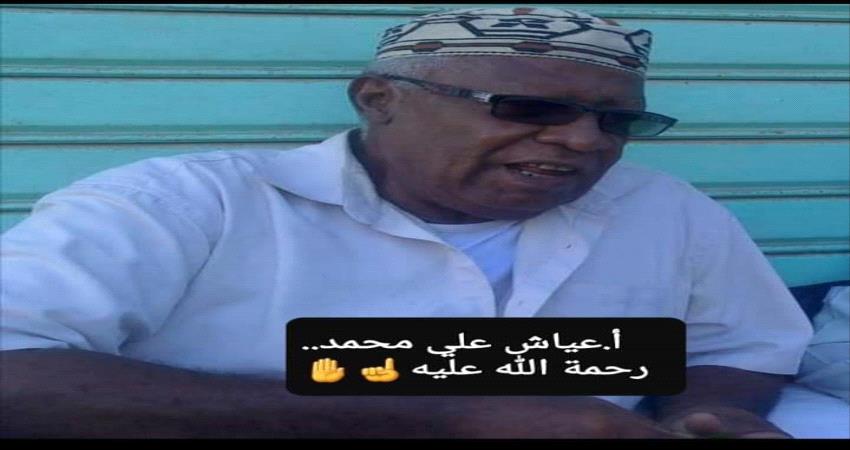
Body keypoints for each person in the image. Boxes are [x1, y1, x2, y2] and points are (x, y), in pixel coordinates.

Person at [0, 7, 822, 438]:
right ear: (379, 99)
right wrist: (453, 416)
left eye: (617, 122)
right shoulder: (182, 204)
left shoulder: (664, 211)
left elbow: (740, 348)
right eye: (527, 107)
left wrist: (707, 414)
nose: (583, 140)